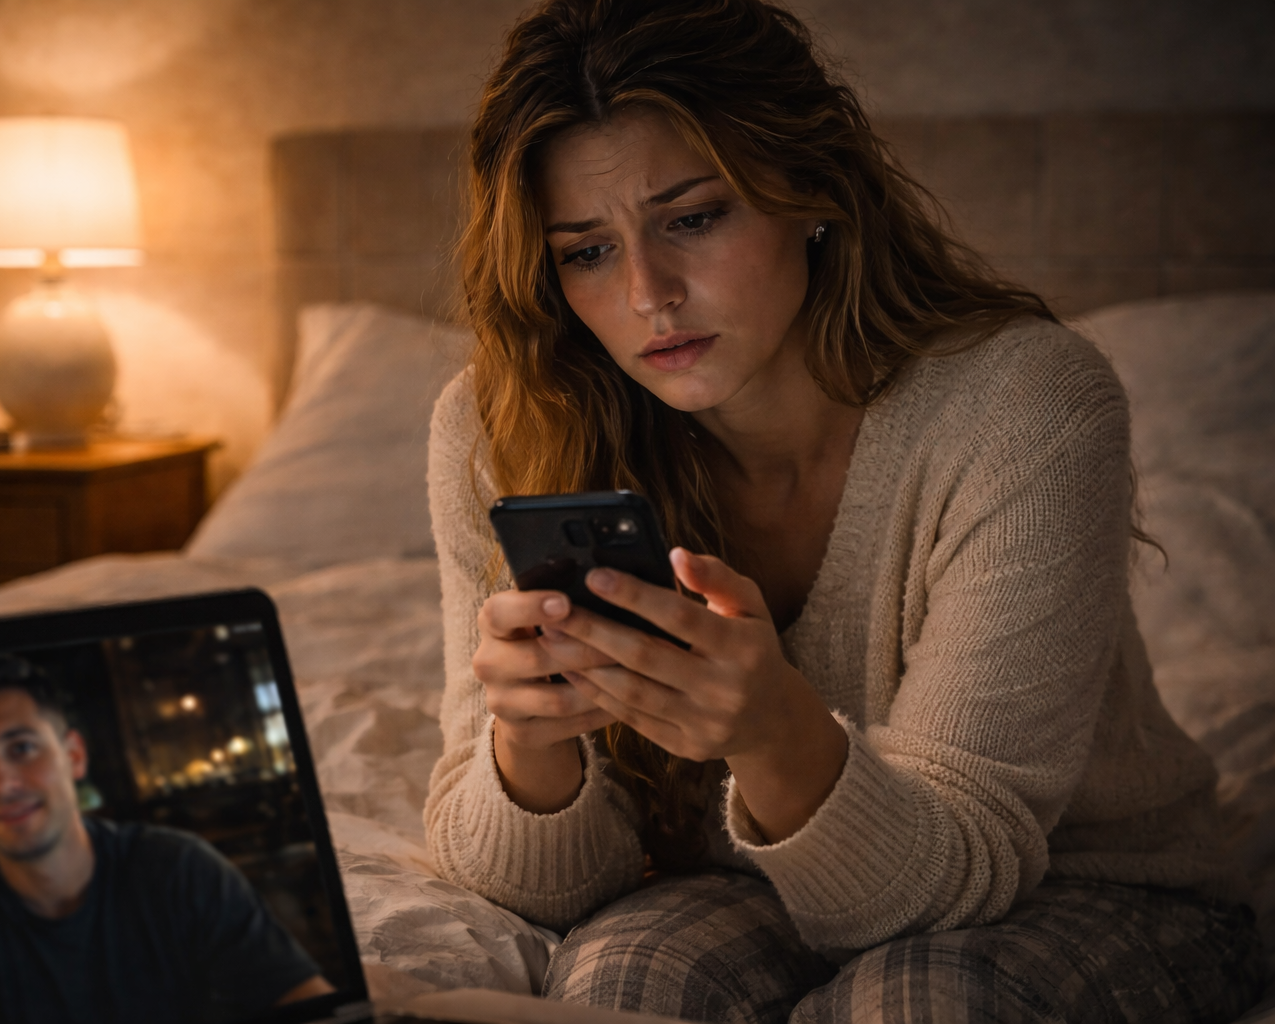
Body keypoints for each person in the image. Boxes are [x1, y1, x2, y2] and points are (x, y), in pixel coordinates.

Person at [422, 1, 1264, 1020]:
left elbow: (959, 871)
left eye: (694, 218)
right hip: (745, 882)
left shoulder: (1027, 405)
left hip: (1083, 878)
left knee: (916, 1000)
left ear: (809, 191)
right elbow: (545, 894)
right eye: (587, 251)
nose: (649, 293)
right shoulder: (502, 426)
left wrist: (774, 731)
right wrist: (528, 742)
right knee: (622, 981)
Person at [0, 654, 333, 1024]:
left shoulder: (177, 870)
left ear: (74, 756)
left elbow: (305, 1001)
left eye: (22, 748)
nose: (1, 784)